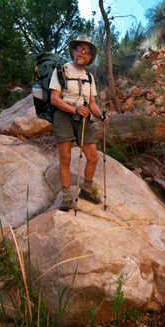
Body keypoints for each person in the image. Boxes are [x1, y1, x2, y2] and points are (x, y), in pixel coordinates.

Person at [50, 35, 109, 212]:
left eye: (87, 51)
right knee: (66, 158)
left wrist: (100, 116)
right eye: (81, 49)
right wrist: (74, 109)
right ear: (74, 51)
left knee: (93, 157)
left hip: (82, 117)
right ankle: (67, 197)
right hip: (63, 116)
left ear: (90, 57)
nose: (83, 53)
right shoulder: (62, 71)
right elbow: (54, 99)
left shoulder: (89, 77)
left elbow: (92, 104)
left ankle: (87, 190)